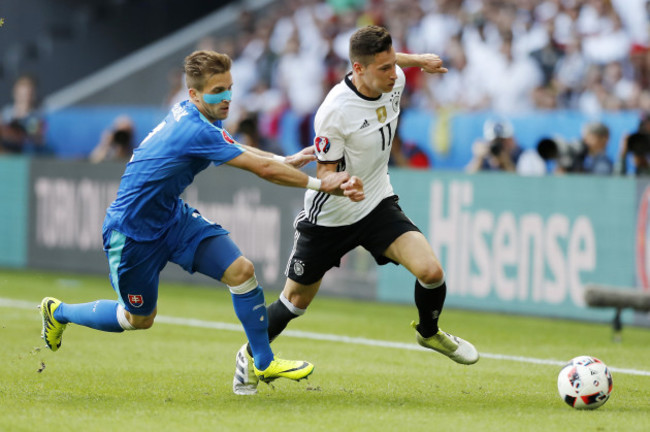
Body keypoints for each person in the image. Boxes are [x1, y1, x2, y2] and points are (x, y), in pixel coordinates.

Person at [40, 50, 364, 388]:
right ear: (194, 94)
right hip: (132, 233)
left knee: (241, 271)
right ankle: (58, 311)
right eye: (217, 91)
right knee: (137, 319)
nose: (227, 98)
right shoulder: (195, 129)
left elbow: (237, 147)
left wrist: (285, 158)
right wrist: (321, 182)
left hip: (172, 219)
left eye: (229, 88)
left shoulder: (201, 115)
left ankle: (263, 362)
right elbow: (262, 170)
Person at [232, 25, 479, 396]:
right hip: (330, 216)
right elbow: (325, 173)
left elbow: (395, 62)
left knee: (431, 271)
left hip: (377, 201)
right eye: (384, 68)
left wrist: (419, 61)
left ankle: (429, 333)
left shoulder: (392, 79)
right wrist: (344, 183)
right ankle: (248, 354)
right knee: (294, 302)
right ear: (358, 69)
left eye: (394, 64)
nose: (395, 74)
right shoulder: (334, 112)